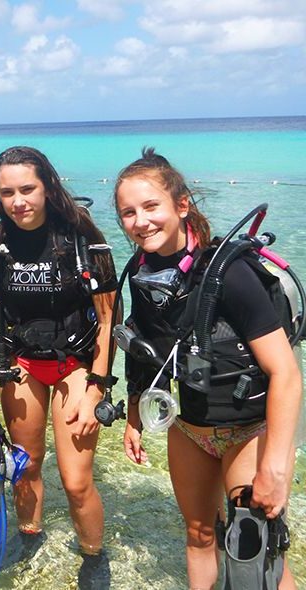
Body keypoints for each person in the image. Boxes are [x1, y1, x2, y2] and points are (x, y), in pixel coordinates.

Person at [114, 148, 300, 589]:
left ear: (182, 206)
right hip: (190, 428)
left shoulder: (228, 274)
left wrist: (274, 464)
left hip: (249, 431)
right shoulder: (141, 272)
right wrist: (135, 415)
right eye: (127, 212)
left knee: (256, 551)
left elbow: (287, 374)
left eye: (151, 206)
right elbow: (142, 345)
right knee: (198, 535)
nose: (140, 221)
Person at [0, 146, 117, 587]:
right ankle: (29, 535)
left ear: (48, 186)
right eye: (7, 192)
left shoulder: (80, 233)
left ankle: (93, 555)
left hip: (76, 366)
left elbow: (108, 317)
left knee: (75, 481)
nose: (19, 201)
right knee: (26, 464)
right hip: (20, 364)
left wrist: (97, 386)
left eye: (28, 189)